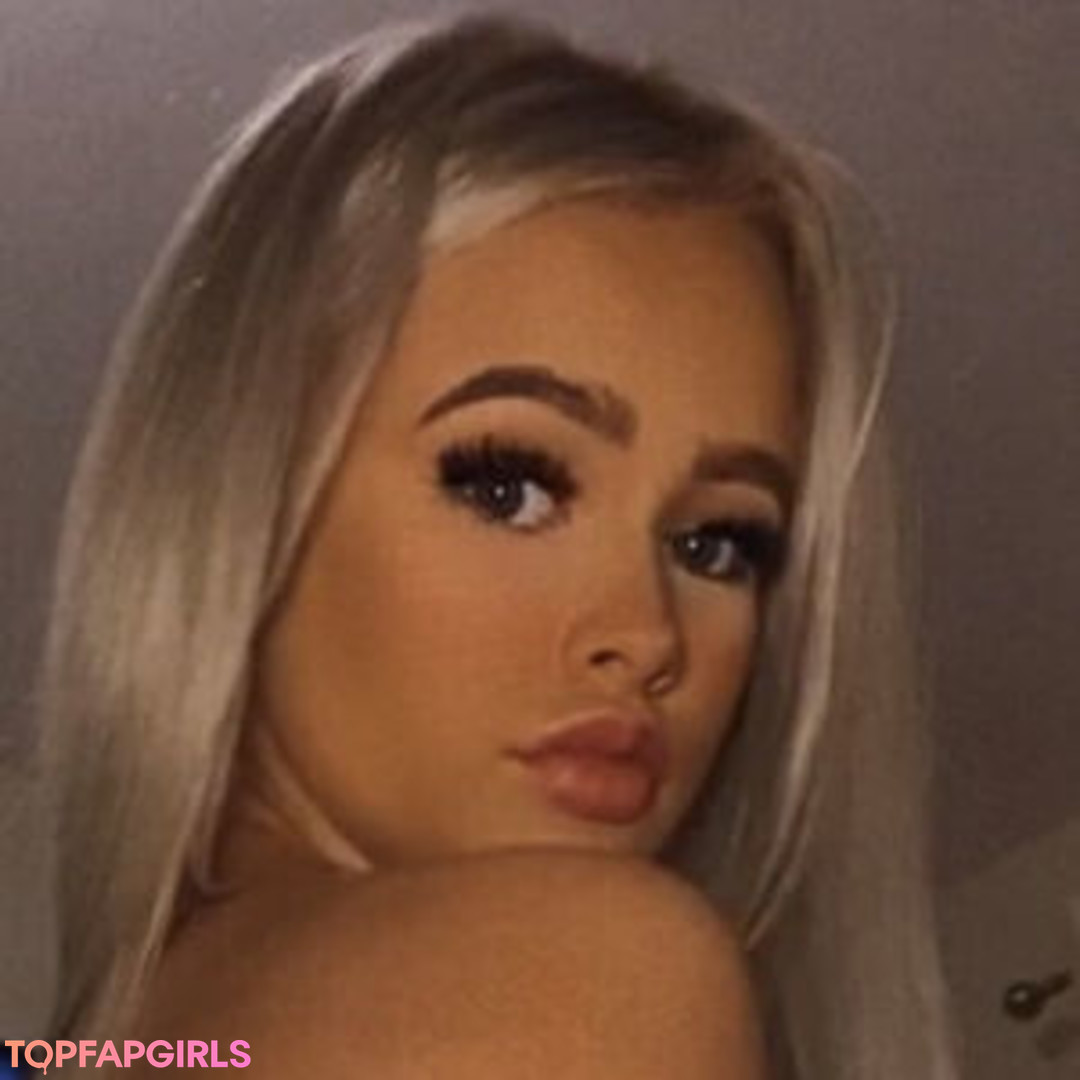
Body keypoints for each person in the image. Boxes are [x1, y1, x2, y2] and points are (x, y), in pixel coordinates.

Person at [28, 12, 959, 1078]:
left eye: (718, 542)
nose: (649, 636)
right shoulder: (591, 983)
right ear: (244, 492)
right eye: (509, 486)